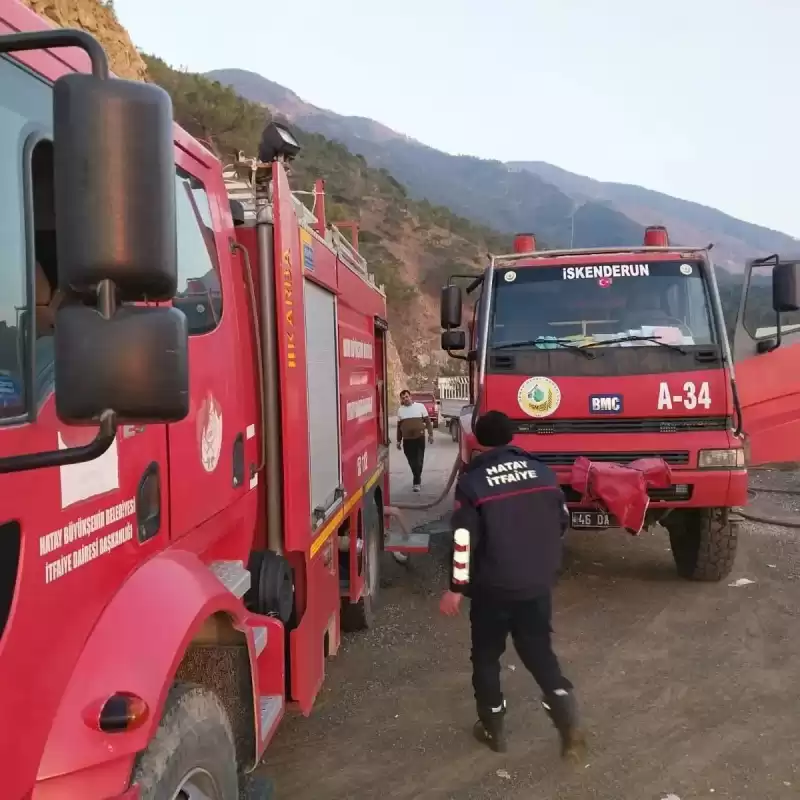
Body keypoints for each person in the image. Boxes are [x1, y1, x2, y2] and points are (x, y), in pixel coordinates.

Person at [439, 410, 584, 758]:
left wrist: (456, 588)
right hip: (536, 585)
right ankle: (568, 721)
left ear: (478, 440)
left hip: (492, 590)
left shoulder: (473, 483)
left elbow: (462, 540)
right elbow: (562, 521)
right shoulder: (544, 474)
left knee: (487, 658)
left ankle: (493, 728)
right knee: (540, 654)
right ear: (512, 436)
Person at [395, 389, 433, 492]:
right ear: (401, 400)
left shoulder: (420, 407)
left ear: (410, 397)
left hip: (419, 438)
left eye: (406, 397)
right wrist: (398, 441)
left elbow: (428, 422)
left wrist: (430, 434)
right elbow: (399, 427)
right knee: (412, 462)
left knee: (419, 461)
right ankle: (417, 477)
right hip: (407, 441)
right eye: (403, 398)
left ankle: (416, 482)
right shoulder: (400, 410)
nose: (405, 399)